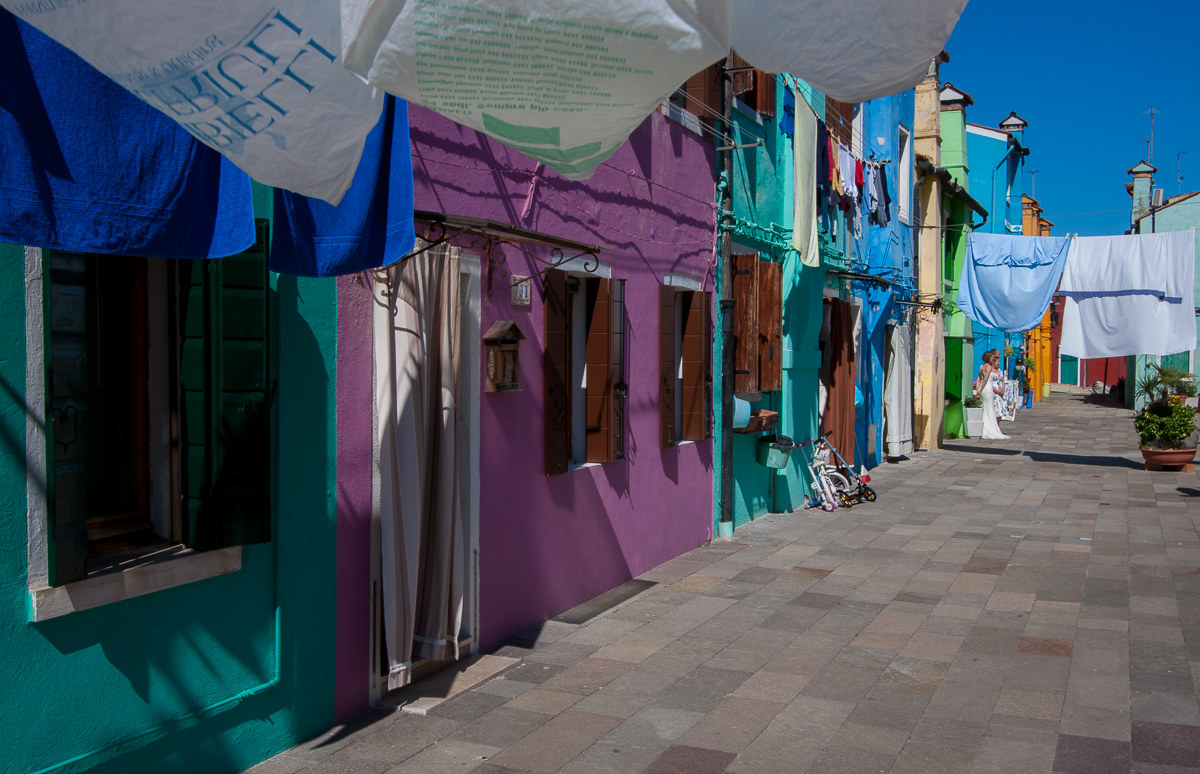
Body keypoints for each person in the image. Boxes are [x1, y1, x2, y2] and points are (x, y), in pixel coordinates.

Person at [975, 349, 1010, 440]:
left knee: (984, 408)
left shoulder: (981, 367)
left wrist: (978, 390)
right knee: (989, 409)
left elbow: (978, 380)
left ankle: (984, 428)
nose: (993, 359)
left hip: (983, 390)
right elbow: (985, 379)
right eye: (992, 357)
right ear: (988, 358)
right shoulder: (989, 367)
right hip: (988, 389)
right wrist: (981, 389)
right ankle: (991, 429)